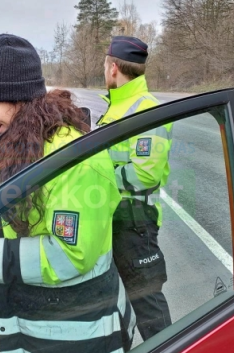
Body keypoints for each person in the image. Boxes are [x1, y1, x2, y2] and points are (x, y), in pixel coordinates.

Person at [0, 34, 136, 353]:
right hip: (33, 332)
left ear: (20, 98)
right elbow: (3, 223)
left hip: (84, 336)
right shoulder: (16, 146)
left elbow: (68, 255)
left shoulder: (72, 159)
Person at [98, 36, 174, 340]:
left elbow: (145, 174)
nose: (105, 72)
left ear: (114, 68)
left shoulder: (145, 109)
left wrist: (98, 178)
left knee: (148, 307)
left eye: (105, 66)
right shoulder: (116, 106)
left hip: (134, 222)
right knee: (115, 303)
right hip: (112, 218)